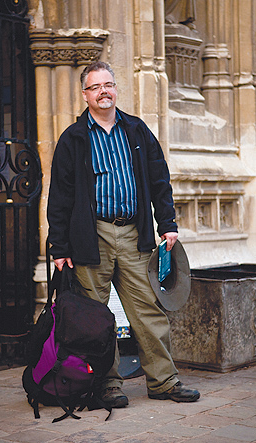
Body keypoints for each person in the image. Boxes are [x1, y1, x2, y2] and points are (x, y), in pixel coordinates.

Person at [47, 61, 200, 408]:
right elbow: (60, 195)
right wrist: (59, 246)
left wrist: (168, 224)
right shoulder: (73, 138)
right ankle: (107, 384)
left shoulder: (136, 130)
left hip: (133, 233)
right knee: (96, 316)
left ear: (116, 89)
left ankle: (164, 381)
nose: (103, 91)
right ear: (85, 95)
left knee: (148, 309)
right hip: (92, 236)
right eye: (95, 86)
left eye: (108, 84)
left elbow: (160, 180)